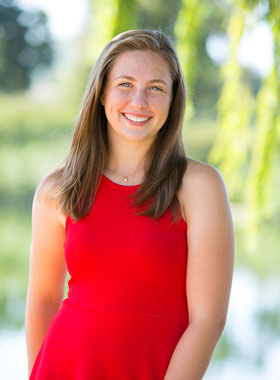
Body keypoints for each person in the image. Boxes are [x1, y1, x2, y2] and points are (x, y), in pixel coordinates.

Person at [25, 29, 234, 380]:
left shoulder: (199, 186)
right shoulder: (58, 189)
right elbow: (43, 302)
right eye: (125, 84)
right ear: (102, 93)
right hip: (64, 367)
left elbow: (208, 321)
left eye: (156, 88)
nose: (139, 101)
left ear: (172, 101)